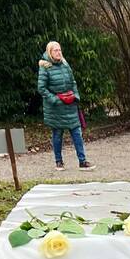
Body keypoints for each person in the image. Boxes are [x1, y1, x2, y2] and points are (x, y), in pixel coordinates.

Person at [37, 40, 92, 170]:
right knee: (57, 134)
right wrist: (55, 99)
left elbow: (73, 82)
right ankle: (59, 161)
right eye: (55, 50)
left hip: (70, 105)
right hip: (56, 108)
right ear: (50, 52)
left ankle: (82, 161)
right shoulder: (45, 67)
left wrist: (76, 95)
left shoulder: (65, 64)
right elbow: (41, 88)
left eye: (60, 50)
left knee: (77, 132)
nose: (58, 52)